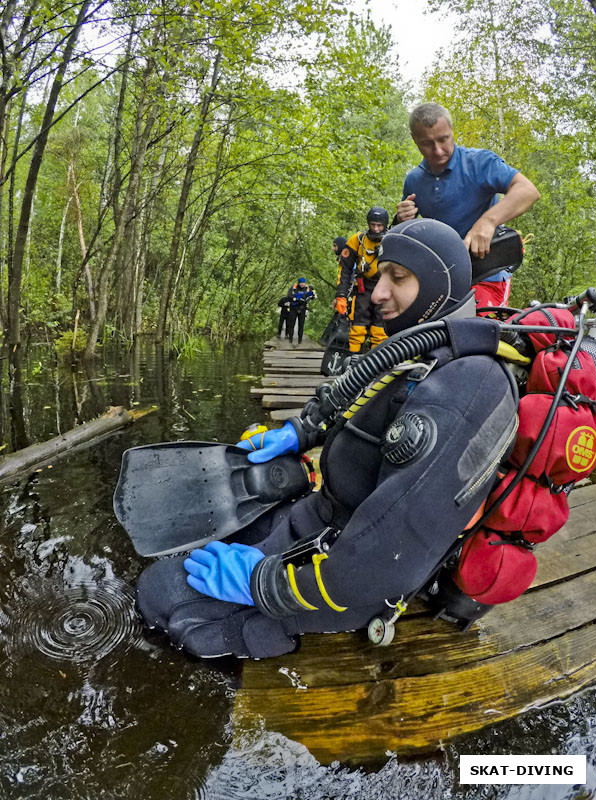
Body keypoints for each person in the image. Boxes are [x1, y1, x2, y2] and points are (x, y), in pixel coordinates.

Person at [136, 219, 519, 659]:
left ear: (436, 285)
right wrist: (296, 432)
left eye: (399, 278)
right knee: (206, 536)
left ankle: (265, 649)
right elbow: (347, 394)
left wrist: (264, 582)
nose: (377, 294)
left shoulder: (468, 387)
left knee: (160, 592)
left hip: (352, 576)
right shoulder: (420, 353)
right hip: (325, 517)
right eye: (379, 277)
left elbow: (389, 554)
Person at [394, 102, 540, 311]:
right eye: (427, 143)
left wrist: (488, 221)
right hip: (441, 283)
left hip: (487, 275)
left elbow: (527, 191)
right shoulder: (413, 180)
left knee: (476, 334)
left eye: (444, 139)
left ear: (452, 131)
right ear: (414, 139)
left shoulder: (480, 163)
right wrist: (401, 219)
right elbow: (408, 236)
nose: (438, 150)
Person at [334, 208, 389, 352]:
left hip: (385, 289)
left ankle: (377, 361)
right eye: (373, 225)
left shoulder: (393, 240)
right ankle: (351, 359)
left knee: (380, 327)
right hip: (363, 288)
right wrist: (341, 296)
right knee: (358, 325)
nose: (376, 229)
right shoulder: (357, 240)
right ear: (368, 224)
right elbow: (344, 270)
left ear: (385, 225)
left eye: (380, 226)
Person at [286, 278, 316, 344]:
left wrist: (313, 292)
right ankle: (290, 339)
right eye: (301, 283)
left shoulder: (307, 288)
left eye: (303, 283)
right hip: (294, 308)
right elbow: (288, 296)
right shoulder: (294, 288)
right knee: (291, 324)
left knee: (301, 324)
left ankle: (300, 340)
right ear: (298, 283)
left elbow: (314, 297)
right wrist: (296, 299)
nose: (302, 284)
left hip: (303, 308)